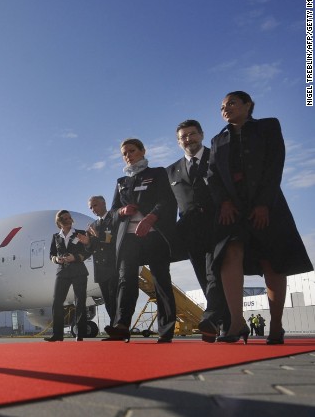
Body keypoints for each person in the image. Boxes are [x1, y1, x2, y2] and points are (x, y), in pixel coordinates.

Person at [209, 91, 313, 345]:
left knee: (271, 260)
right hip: (232, 209)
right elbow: (212, 175)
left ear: (248, 105)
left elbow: (275, 164)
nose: (226, 108)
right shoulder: (217, 140)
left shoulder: (268, 126)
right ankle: (236, 322)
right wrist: (223, 201)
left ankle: (276, 325)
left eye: (232, 103)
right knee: (229, 255)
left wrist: (264, 203)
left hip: (267, 203)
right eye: (222, 106)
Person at [106, 138, 178, 343]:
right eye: (125, 153)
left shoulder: (157, 173)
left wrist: (150, 218)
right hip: (128, 237)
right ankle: (121, 325)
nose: (128, 155)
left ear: (142, 151)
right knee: (125, 280)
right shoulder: (121, 182)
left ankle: (166, 330)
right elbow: (112, 213)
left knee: (160, 280)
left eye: (132, 151)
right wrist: (122, 210)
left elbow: (167, 200)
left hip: (154, 234)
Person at [165, 120, 229, 342]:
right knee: (203, 275)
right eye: (183, 136)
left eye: (192, 134)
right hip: (190, 232)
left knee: (214, 272)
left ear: (201, 135)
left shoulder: (218, 158)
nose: (188, 139)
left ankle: (211, 317)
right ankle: (225, 323)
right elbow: (169, 207)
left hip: (218, 224)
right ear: (178, 141)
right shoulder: (171, 171)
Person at [45, 210, 90, 342]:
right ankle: (58, 334)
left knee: (80, 301)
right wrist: (56, 259)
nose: (69, 220)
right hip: (62, 271)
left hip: (79, 271)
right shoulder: (56, 237)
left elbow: (88, 251)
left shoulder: (79, 233)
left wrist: (75, 257)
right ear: (59, 222)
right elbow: (51, 255)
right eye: (65, 218)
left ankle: (80, 333)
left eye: (69, 218)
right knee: (57, 302)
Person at [77, 196, 118, 328]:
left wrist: (97, 237)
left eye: (95, 205)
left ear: (103, 203)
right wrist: (87, 242)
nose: (93, 209)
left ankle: (119, 327)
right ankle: (114, 327)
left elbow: (115, 241)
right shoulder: (93, 225)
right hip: (100, 270)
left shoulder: (114, 220)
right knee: (108, 301)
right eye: (91, 207)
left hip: (113, 267)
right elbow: (91, 249)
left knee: (115, 299)